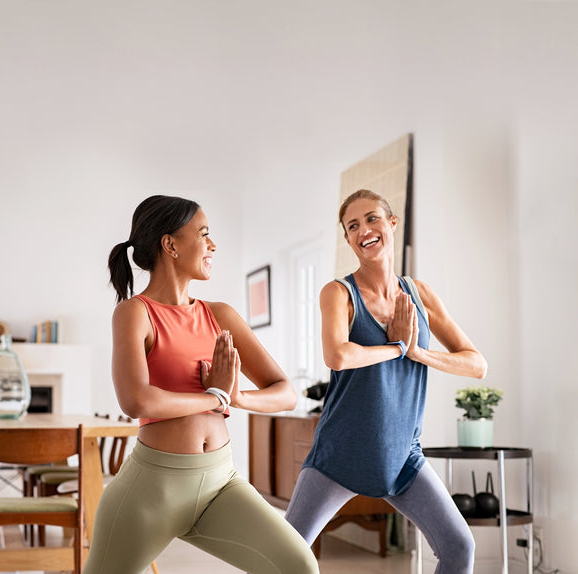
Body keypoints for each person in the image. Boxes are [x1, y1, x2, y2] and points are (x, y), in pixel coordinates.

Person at [84, 195, 319, 574]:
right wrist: (214, 396)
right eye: (204, 234)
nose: (213, 245)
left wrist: (236, 396)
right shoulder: (134, 313)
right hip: (150, 491)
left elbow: (285, 392)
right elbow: (137, 401)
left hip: (220, 484)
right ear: (170, 244)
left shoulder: (220, 315)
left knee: (298, 564)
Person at [285, 189, 488, 573]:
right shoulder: (338, 293)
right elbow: (338, 356)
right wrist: (397, 348)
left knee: (459, 546)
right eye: (353, 225)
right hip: (339, 455)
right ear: (348, 239)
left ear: (392, 223)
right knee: (284, 556)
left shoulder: (420, 293)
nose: (365, 230)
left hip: (402, 457)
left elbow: (476, 364)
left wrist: (418, 353)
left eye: (373, 218)